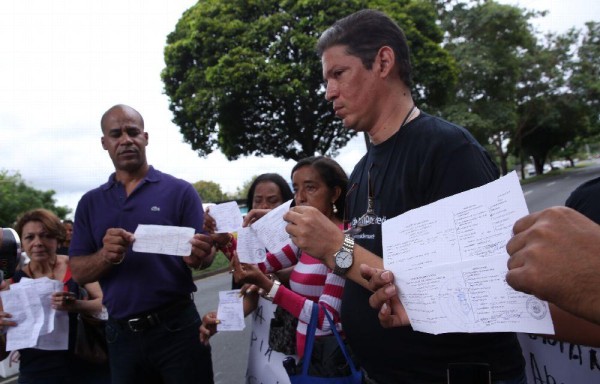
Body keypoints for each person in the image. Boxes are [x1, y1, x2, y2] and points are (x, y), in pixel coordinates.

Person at [283, 9, 525, 383]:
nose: (329, 91)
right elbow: (370, 267)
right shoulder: (362, 171)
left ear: (382, 62)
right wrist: (330, 250)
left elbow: (485, 286)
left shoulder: (447, 148)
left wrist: (334, 246)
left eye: (338, 74)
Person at [68, 104, 215, 384]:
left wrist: (200, 255)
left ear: (145, 137)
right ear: (104, 143)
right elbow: (78, 272)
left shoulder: (180, 191)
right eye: (116, 134)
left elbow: (203, 256)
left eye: (132, 131)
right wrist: (105, 256)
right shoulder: (90, 203)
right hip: (121, 335)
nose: (125, 140)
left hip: (177, 328)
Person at [204, 156, 350, 375]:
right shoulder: (303, 240)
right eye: (296, 189)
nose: (300, 198)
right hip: (309, 357)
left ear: (335, 193)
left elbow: (326, 319)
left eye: (310, 188)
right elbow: (257, 264)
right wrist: (225, 240)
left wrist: (270, 287)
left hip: (334, 361)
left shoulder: (345, 244)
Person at [0, 208, 108, 383]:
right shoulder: (11, 282)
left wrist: (77, 305)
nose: (38, 242)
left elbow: (107, 305)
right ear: (22, 244)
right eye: (30, 237)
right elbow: (2, 353)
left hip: (88, 368)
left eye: (46, 235)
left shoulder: (76, 268)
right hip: (36, 373)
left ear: (58, 239)